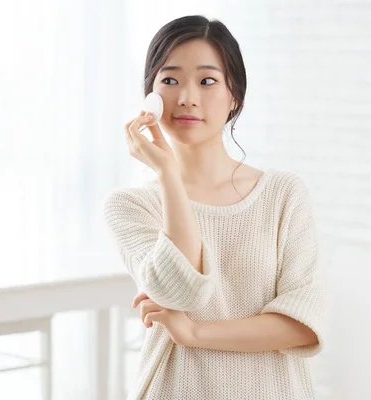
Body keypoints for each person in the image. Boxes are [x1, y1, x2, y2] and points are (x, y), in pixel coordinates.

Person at [102, 15, 329, 400]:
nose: (187, 97)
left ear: (234, 95)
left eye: (207, 81)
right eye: (170, 80)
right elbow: (178, 292)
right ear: (150, 99)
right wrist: (169, 176)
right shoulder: (131, 206)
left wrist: (194, 333)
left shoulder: (282, 194)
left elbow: (303, 324)